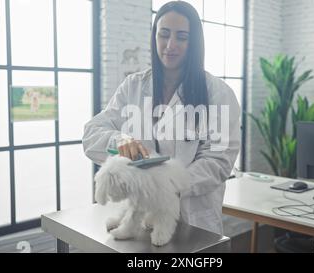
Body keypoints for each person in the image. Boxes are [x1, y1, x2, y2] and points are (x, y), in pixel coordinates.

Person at [82, 1, 240, 235]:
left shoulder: (218, 93)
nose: (170, 45)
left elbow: (219, 161)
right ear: (154, 36)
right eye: (163, 34)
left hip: (194, 222)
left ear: (194, 42)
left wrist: (168, 186)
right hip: (140, 219)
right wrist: (121, 141)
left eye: (182, 37)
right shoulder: (133, 86)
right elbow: (92, 133)